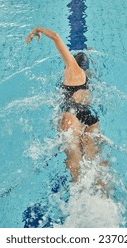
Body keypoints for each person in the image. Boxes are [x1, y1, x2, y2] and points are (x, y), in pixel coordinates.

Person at [26, 26, 101, 183]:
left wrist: (37, 29)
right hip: (90, 116)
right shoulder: (87, 77)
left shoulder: (72, 70)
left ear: (74, 62)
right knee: (95, 158)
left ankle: (78, 190)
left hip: (71, 114)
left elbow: (56, 36)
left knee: (73, 156)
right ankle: (103, 192)